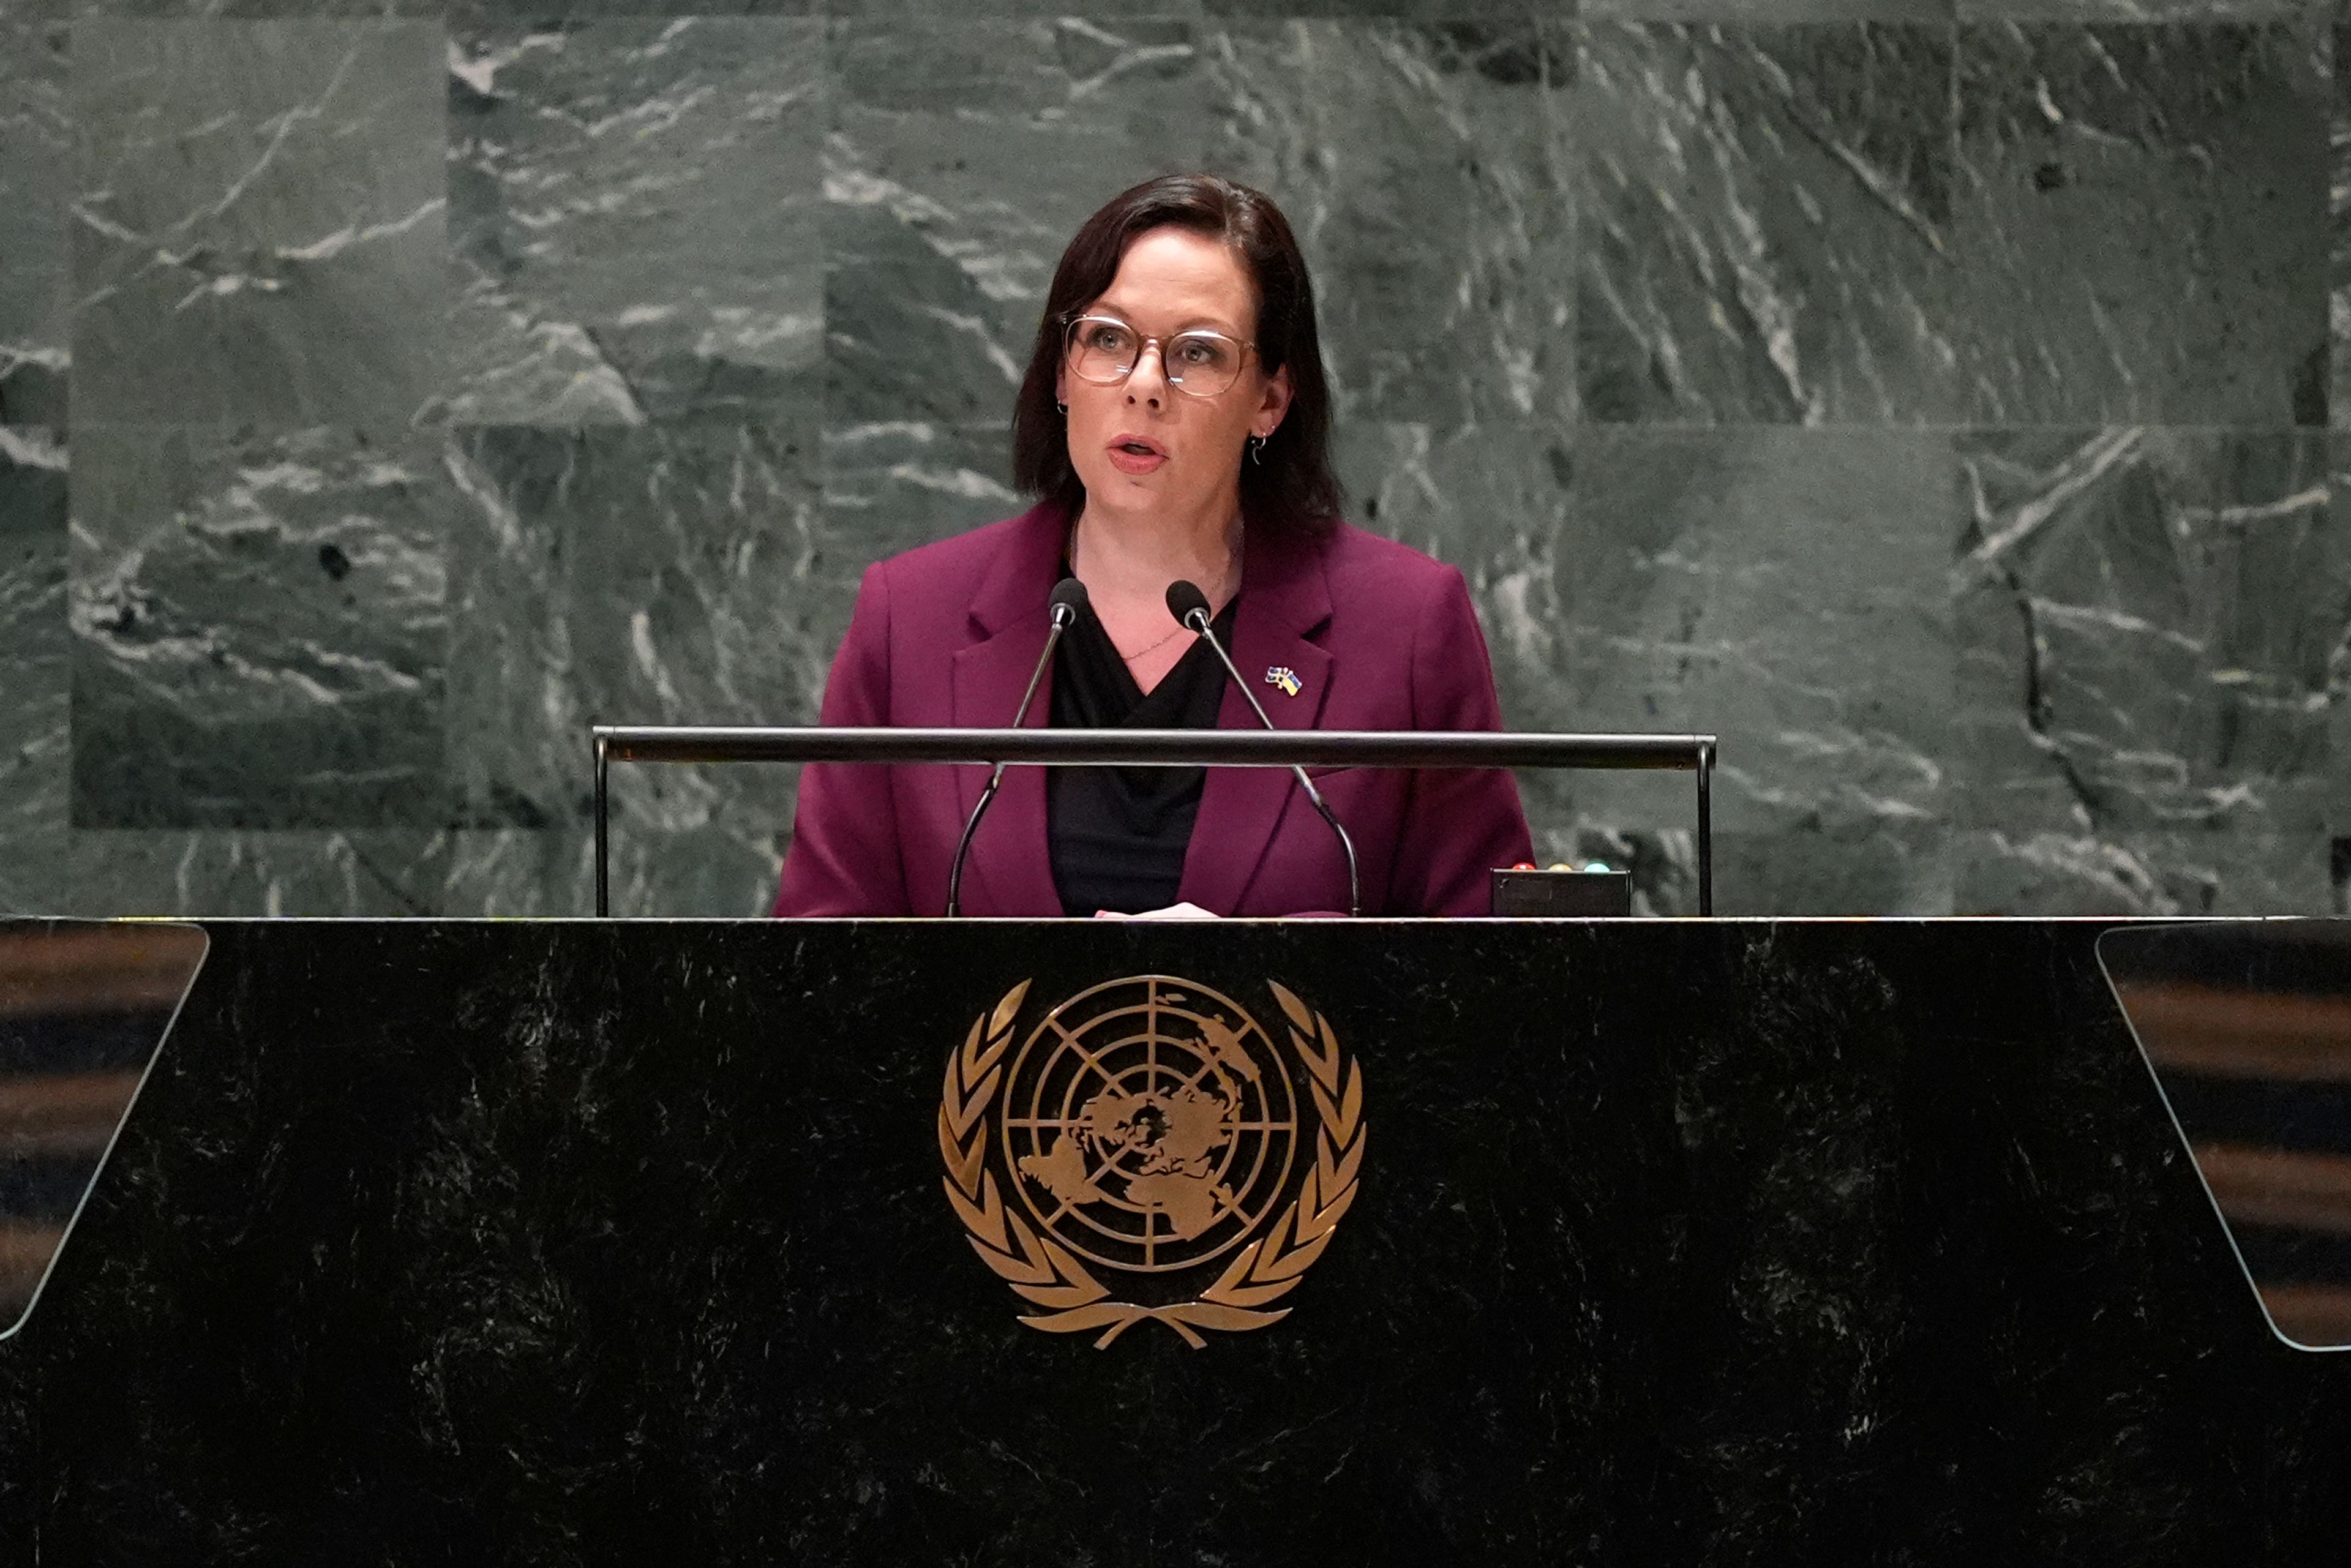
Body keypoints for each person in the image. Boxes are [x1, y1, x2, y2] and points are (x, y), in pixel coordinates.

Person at [774, 174, 1531, 918]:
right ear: (1063, 374)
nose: (1144, 384)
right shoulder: (910, 617)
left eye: (1197, 353)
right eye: (1107, 339)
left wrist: (1264, 971)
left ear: (1269, 399)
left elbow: (1492, 977)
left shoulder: (1403, 624)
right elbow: (815, 963)